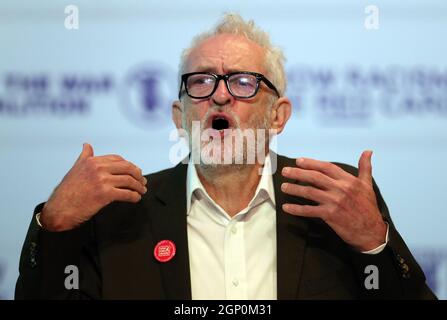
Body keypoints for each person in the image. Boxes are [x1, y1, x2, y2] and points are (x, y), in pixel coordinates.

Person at [16, 13, 435, 300]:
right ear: (180, 117)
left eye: (243, 82)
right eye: (200, 81)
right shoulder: (121, 213)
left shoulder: (334, 200)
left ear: (278, 115)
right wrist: (52, 227)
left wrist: (375, 245)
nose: (219, 94)